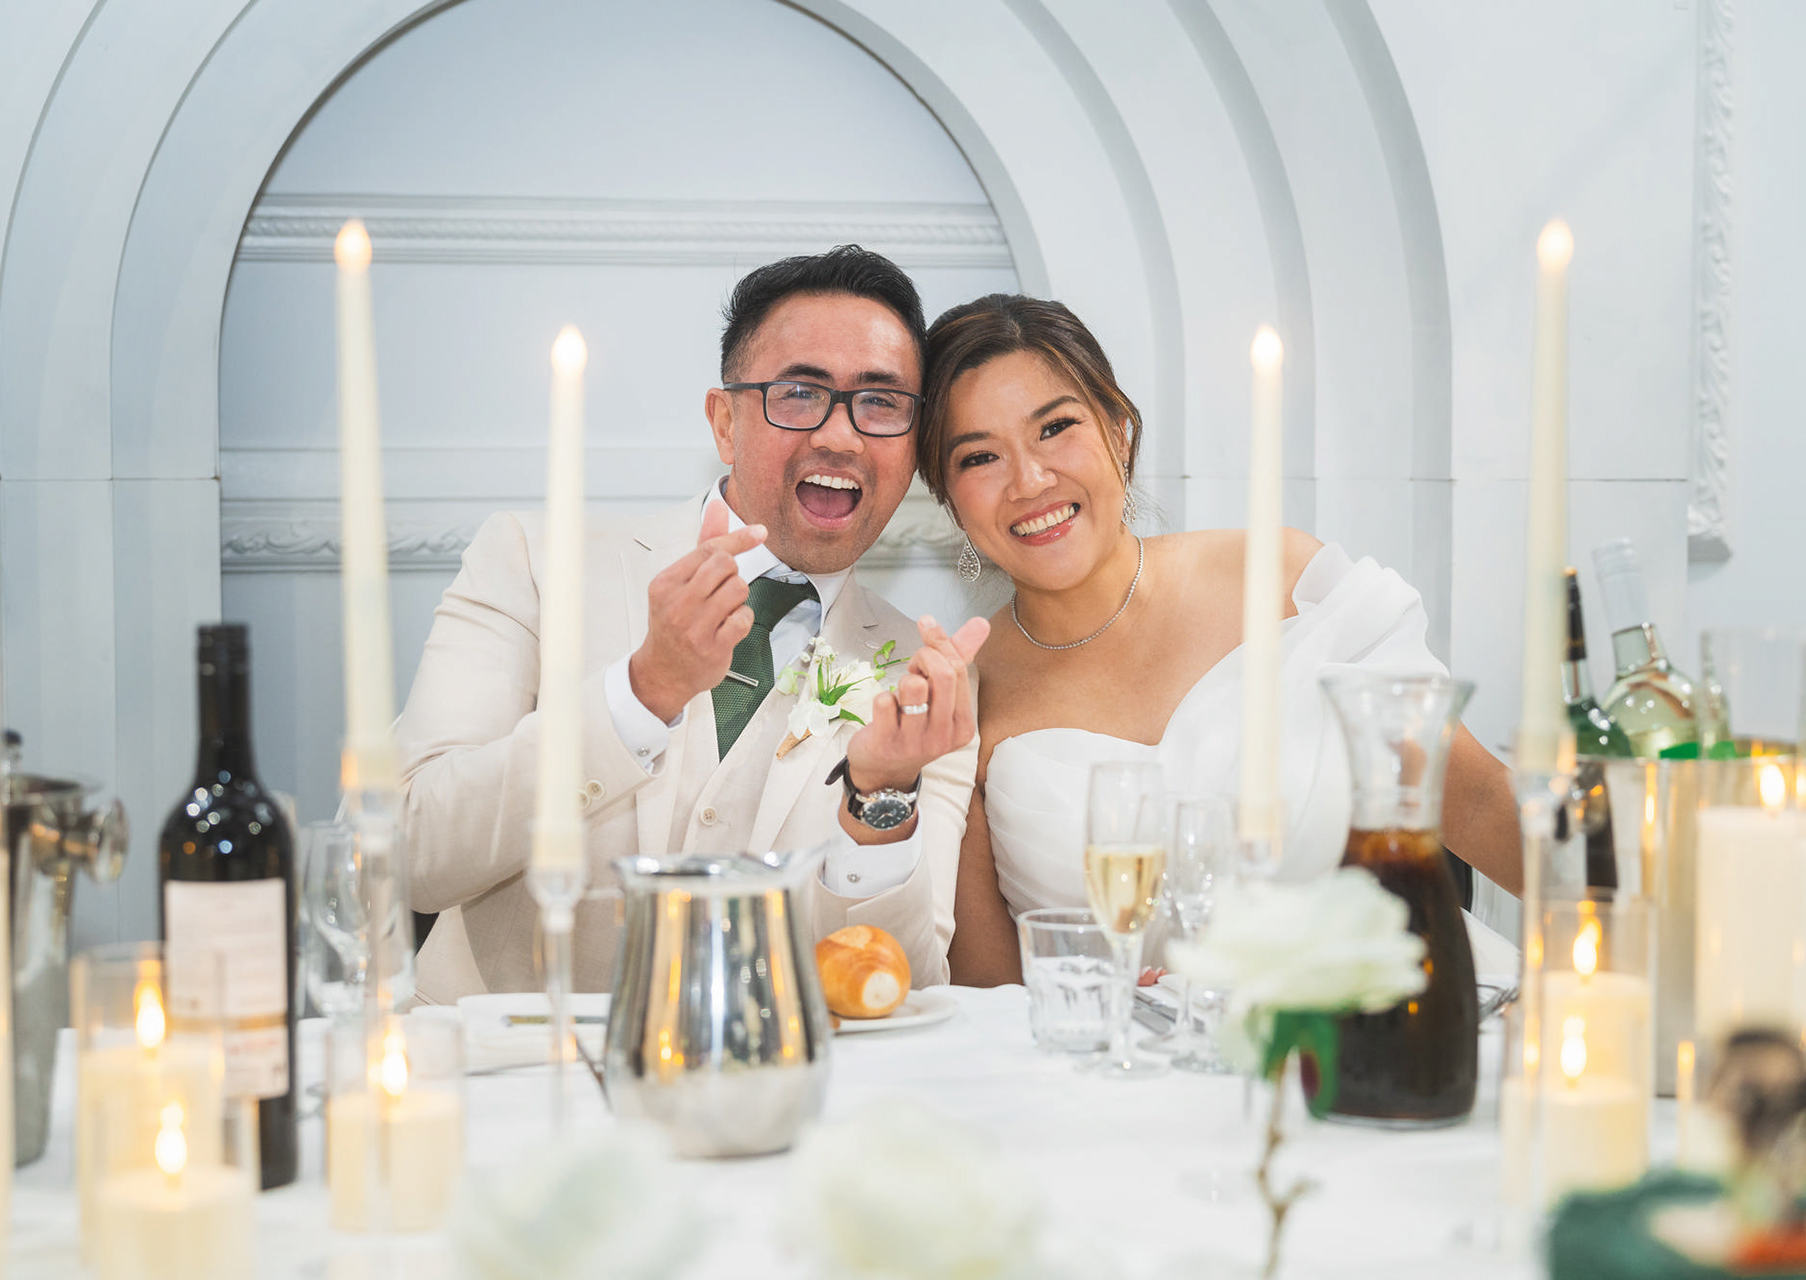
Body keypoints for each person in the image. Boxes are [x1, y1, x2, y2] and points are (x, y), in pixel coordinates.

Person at [396, 246, 988, 1001]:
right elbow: (409, 853)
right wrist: (641, 692)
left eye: (880, 402)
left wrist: (882, 796)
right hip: (517, 1062)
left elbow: (908, 983)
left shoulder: (927, 676)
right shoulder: (531, 561)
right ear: (725, 422)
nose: (841, 436)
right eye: (799, 393)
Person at [912, 294, 1522, 987]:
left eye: (1055, 427)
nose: (1029, 480)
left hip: (1387, 1017)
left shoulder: (1286, 582)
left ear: (1119, 432)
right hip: (1125, 1053)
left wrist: (1619, 918)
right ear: (949, 499)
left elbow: (1475, 802)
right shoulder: (964, 695)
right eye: (980, 457)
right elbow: (989, 992)